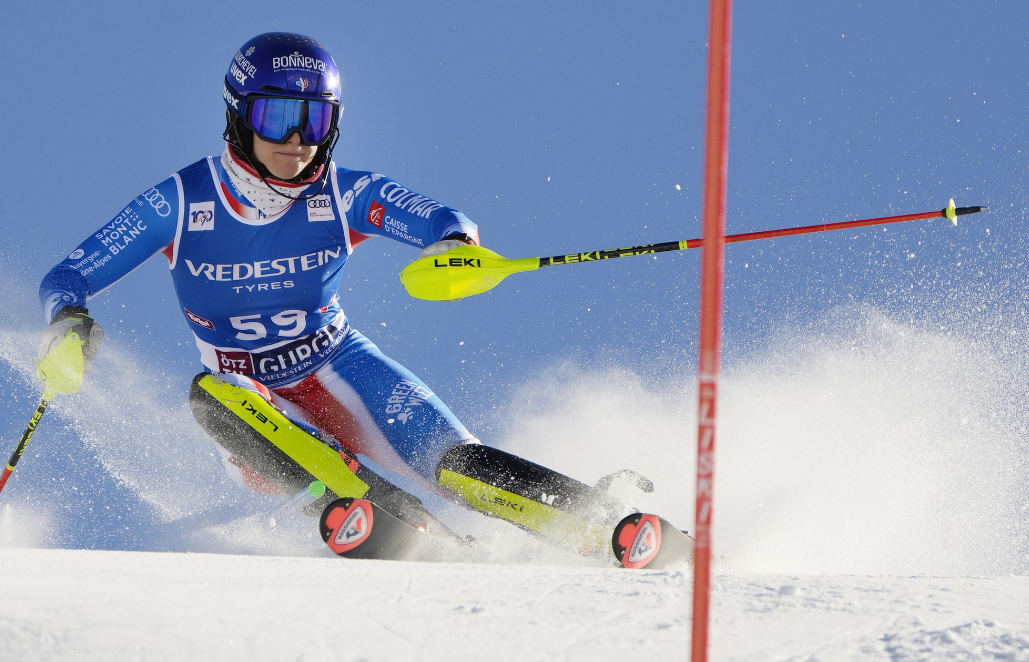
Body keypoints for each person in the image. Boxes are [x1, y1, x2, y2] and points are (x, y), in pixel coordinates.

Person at [36, 32, 629, 547]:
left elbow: (439, 218)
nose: (296, 140)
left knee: (456, 465)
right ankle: (406, 529)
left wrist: (456, 247)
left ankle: (604, 526)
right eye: (275, 117)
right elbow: (68, 276)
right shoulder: (183, 201)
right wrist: (68, 323)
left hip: (341, 364)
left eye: (314, 120)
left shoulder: (342, 195)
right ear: (239, 116)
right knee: (213, 393)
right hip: (255, 408)